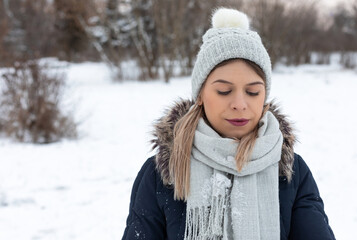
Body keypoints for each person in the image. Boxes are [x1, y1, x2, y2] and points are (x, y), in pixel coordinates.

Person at [122, 8, 335, 240]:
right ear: (201, 95)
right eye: (224, 91)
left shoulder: (291, 172)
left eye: (253, 92)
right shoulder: (161, 175)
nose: (240, 104)